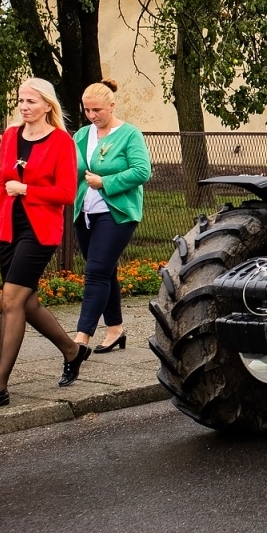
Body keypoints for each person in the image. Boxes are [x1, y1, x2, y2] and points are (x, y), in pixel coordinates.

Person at [0, 78, 90, 411]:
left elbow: (66, 194)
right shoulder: (10, 136)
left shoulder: (62, 142)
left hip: (39, 232)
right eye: (21, 101)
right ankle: (72, 351)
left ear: (47, 106)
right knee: (27, 303)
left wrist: (26, 190)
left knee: (11, 301)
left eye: (31, 102)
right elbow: (0, 186)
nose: (24, 107)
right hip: (9, 227)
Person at [71, 80, 150, 352]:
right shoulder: (81, 135)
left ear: (111, 106)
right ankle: (115, 329)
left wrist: (106, 182)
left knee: (95, 272)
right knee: (106, 270)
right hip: (84, 212)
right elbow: (72, 169)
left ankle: (81, 338)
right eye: (87, 110)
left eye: (97, 110)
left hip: (117, 212)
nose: (92, 116)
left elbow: (142, 172)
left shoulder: (129, 135)